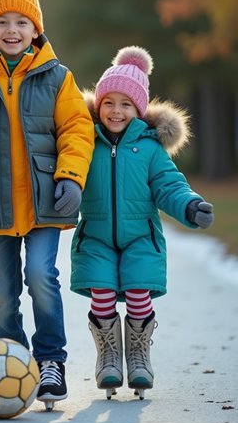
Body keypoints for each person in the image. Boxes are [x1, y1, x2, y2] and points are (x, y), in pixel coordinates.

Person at [0, 0, 95, 409]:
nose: (12, 30)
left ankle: (51, 359)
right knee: (1, 292)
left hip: (45, 199)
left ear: (36, 29)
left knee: (41, 276)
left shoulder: (57, 77)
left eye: (22, 23)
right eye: (2, 22)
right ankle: (14, 357)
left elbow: (77, 127)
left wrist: (71, 177)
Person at [70, 46, 214, 399]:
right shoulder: (86, 142)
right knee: (101, 293)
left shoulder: (150, 149)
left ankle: (137, 354)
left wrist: (190, 206)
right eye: (109, 102)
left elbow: (169, 186)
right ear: (98, 104)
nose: (116, 111)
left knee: (138, 293)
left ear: (139, 110)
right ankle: (108, 356)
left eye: (125, 104)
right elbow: (68, 174)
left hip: (141, 238)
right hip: (96, 236)